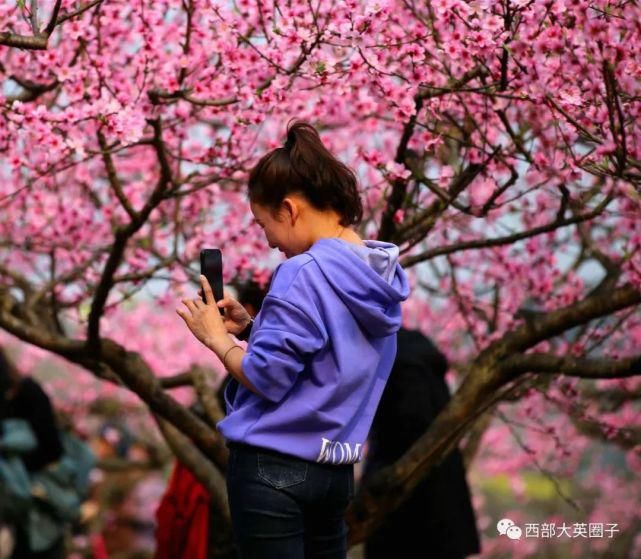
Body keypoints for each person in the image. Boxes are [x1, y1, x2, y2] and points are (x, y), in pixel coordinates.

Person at [177, 119, 409, 559]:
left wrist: (217, 340)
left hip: (273, 466)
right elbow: (333, 355)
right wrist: (250, 328)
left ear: (288, 209)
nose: (269, 242)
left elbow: (267, 378)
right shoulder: (378, 275)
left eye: (264, 224)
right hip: (335, 470)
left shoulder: (301, 271)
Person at [362, 328, 481, 559]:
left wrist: (377, 475)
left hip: (407, 508)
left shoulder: (395, 359)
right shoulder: (418, 353)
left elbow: (412, 421)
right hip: (442, 503)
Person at [0, 348, 65, 559]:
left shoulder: (25, 392)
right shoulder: (27, 390)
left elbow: (52, 448)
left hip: (30, 505)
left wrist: (14, 463)